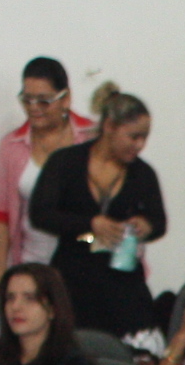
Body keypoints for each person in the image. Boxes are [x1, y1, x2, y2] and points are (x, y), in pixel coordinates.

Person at [28, 82, 165, 342]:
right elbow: (40, 213)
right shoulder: (65, 163)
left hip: (124, 284)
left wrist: (146, 226)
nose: (139, 145)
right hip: (72, 279)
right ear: (109, 127)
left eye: (144, 137)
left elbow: (160, 222)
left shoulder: (143, 173)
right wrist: (90, 224)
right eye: (133, 136)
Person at [0, 57, 94, 279]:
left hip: (86, 265)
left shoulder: (92, 138)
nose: (34, 109)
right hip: (31, 266)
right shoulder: (11, 146)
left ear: (66, 98)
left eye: (43, 101)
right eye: (27, 100)